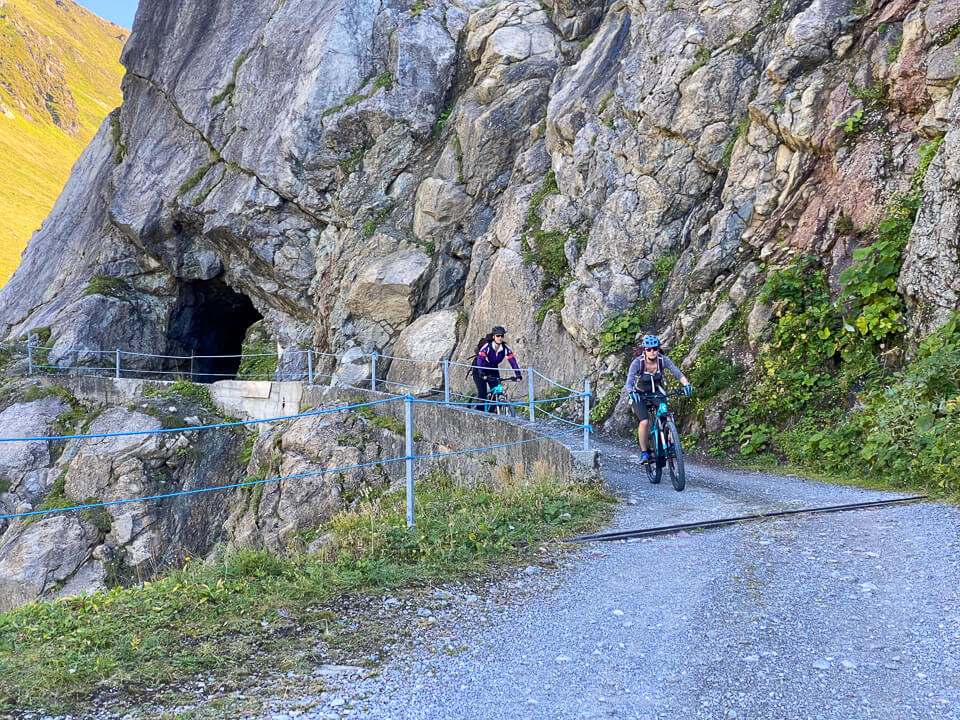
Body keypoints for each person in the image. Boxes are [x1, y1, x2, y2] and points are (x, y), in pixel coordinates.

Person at [624, 334, 692, 464]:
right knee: (644, 421)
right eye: (649, 349)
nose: (652, 352)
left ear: (658, 349)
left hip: (657, 392)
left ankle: (673, 445)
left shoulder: (663, 360)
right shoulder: (637, 363)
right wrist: (631, 392)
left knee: (666, 415)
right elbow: (629, 382)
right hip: (640, 394)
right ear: (645, 350)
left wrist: (686, 384)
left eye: (654, 349)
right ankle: (644, 452)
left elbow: (678, 373)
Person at [472, 326, 523, 412]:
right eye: (498, 336)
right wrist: (481, 372)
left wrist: (518, 375)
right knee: (482, 393)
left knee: (496, 391)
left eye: (502, 336)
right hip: (479, 368)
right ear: (493, 337)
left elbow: (513, 362)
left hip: (492, 369)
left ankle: (491, 413)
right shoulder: (487, 346)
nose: (500, 338)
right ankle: (478, 413)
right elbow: (480, 360)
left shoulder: (505, 348)